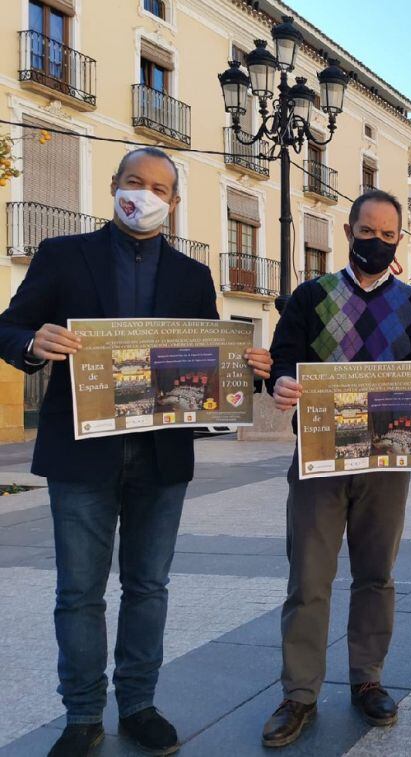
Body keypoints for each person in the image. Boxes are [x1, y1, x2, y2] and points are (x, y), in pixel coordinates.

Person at [0, 147, 272, 757]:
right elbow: (8, 327)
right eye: (133, 182)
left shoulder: (192, 276)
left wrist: (248, 370)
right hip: (81, 454)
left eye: (157, 188)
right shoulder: (62, 256)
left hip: (160, 456)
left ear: (173, 205)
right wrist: (31, 341)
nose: (142, 195)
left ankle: (140, 705)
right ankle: (82, 717)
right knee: (79, 591)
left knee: (148, 586)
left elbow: (211, 365)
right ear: (114, 187)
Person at [260, 189, 411, 747]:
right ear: (348, 231)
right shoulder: (309, 297)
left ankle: (367, 681)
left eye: (387, 235)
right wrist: (281, 379)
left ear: (398, 240)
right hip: (319, 459)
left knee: (376, 575)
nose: (376, 243)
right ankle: (299, 693)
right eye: (367, 232)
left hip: (388, 461)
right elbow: (283, 356)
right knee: (308, 578)